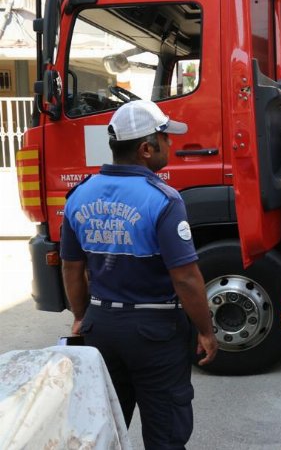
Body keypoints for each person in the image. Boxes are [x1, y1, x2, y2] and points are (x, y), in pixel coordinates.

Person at [60, 100, 218, 449]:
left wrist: (81, 318)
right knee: (165, 433)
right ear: (147, 149)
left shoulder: (79, 196)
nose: (171, 145)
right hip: (155, 333)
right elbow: (186, 278)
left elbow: (71, 266)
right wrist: (206, 330)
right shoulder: (163, 200)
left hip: (101, 328)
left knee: (105, 429)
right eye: (165, 138)